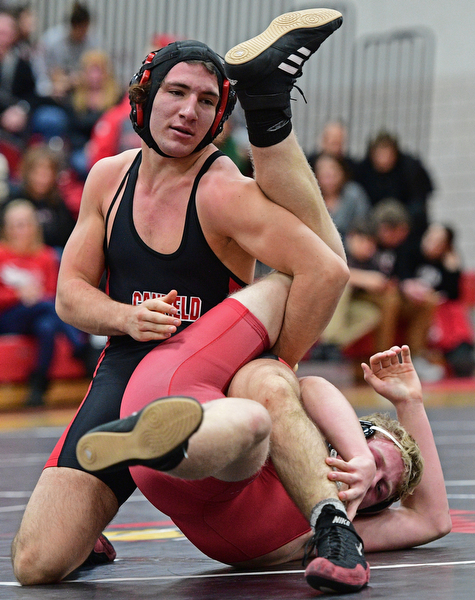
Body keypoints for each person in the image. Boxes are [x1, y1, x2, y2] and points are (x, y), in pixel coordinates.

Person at [11, 7, 355, 592]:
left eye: (205, 101)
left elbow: (323, 269)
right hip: (123, 367)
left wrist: (279, 362)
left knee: (228, 434)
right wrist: (126, 317)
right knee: (38, 564)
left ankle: (269, 111)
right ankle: (87, 519)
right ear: (143, 99)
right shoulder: (107, 178)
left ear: (220, 117)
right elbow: (69, 295)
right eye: (176, 92)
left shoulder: (223, 191)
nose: (189, 111)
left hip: (210, 371)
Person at [0, 200, 91, 405]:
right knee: (47, 306)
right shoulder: (1, 254)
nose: (22, 230)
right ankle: (79, 344)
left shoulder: (47, 256)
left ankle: (38, 385)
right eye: (16, 225)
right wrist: (19, 295)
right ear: (7, 228)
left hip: (39, 315)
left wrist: (37, 296)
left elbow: (52, 292)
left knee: (47, 326)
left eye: (26, 224)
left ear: (35, 226)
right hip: (8, 317)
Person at [413, 223, 475, 377]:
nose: (430, 243)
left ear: (445, 246)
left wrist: (453, 270)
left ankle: (461, 352)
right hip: (419, 308)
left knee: (456, 313)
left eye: (437, 241)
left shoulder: (447, 263)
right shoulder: (412, 254)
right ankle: (419, 358)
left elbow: (454, 294)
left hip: (443, 313)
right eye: (429, 237)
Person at [354, 131, 434, 243]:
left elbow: (420, 201)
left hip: (407, 227)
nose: (384, 158)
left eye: (387, 153)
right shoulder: (362, 171)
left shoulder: (410, 168)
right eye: (380, 153)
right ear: (372, 154)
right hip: (372, 229)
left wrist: (403, 224)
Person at [5, 144, 76, 253]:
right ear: (27, 173)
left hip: (47, 257)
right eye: (38, 173)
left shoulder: (58, 202)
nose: (42, 179)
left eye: (47, 173)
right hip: (14, 253)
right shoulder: (14, 198)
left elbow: (66, 238)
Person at [313, 152, 371, 242]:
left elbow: (363, 223)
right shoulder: (310, 197)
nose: (330, 179)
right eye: (325, 175)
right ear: (315, 175)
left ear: (342, 172)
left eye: (333, 173)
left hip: (351, 246)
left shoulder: (354, 193)